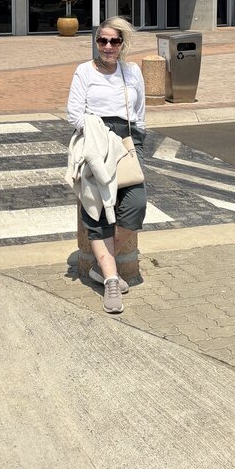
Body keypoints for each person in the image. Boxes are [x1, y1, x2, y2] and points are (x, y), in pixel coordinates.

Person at [67, 16, 147, 314]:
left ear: (123, 43)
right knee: (96, 209)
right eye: (103, 40)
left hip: (127, 141)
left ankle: (101, 266)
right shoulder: (84, 71)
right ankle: (111, 279)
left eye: (114, 41)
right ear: (96, 42)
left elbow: (140, 112)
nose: (108, 46)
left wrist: (136, 140)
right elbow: (74, 114)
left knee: (136, 204)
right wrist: (99, 135)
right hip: (96, 141)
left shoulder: (132, 71)